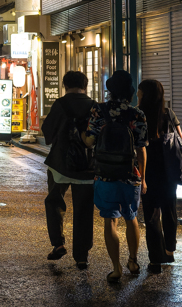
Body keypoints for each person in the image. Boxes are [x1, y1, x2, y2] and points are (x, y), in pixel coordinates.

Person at [84, 70, 148, 283]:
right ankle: (133, 260)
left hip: (104, 175)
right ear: (129, 91)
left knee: (110, 220)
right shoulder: (137, 114)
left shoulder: (98, 110)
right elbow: (141, 149)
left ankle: (116, 268)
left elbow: (90, 142)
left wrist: (81, 133)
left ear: (110, 90)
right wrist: (143, 178)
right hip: (130, 175)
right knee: (131, 218)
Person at [41, 70, 96, 269]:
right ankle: (81, 256)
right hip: (88, 167)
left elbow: (47, 131)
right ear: (85, 85)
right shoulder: (93, 106)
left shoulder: (60, 104)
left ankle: (58, 244)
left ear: (65, 85)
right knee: (84, 210)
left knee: (54, 201)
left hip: (60, 165)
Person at [138, 78, 182, 273]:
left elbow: (138, 146)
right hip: (169, 171)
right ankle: (169, 251)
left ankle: (155, 260)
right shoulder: (168, 114)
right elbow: (181, 140)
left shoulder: (139, 116)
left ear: (144, 94)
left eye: (139, 91)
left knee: (151, 215)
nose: (137, 94)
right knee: (169, 210)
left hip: (148, 171)